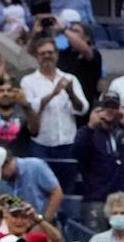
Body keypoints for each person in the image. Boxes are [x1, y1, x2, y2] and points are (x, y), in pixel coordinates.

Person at [21, 37, 86, 193]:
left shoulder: (70, 79)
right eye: (42, 53)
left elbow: (82, 108)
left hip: (68, 143)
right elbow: (31, 107)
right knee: (42, 189)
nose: (47, 56)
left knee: (67, 189)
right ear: (37, 57)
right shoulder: (28, 81)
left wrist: (70, 93)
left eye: (50, 52)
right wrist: (53, 93)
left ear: (56, 55)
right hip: (41, 144)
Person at [72, 95, 124, 230]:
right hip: (96, 198)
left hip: (121, 199)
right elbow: (77, 152)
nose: (109, 112)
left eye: (113, 108)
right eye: (105, 108)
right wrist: (91, 126)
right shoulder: (87, 132)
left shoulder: (123, 132)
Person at [0, 145, 63, 222]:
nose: (1, 177)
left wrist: (43, 222)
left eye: (0, 173)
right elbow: (10, 202)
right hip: (17, 224)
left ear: (7, 163)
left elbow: (57, 193)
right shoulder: (1, 181)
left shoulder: (36, 166)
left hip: (44, 220)